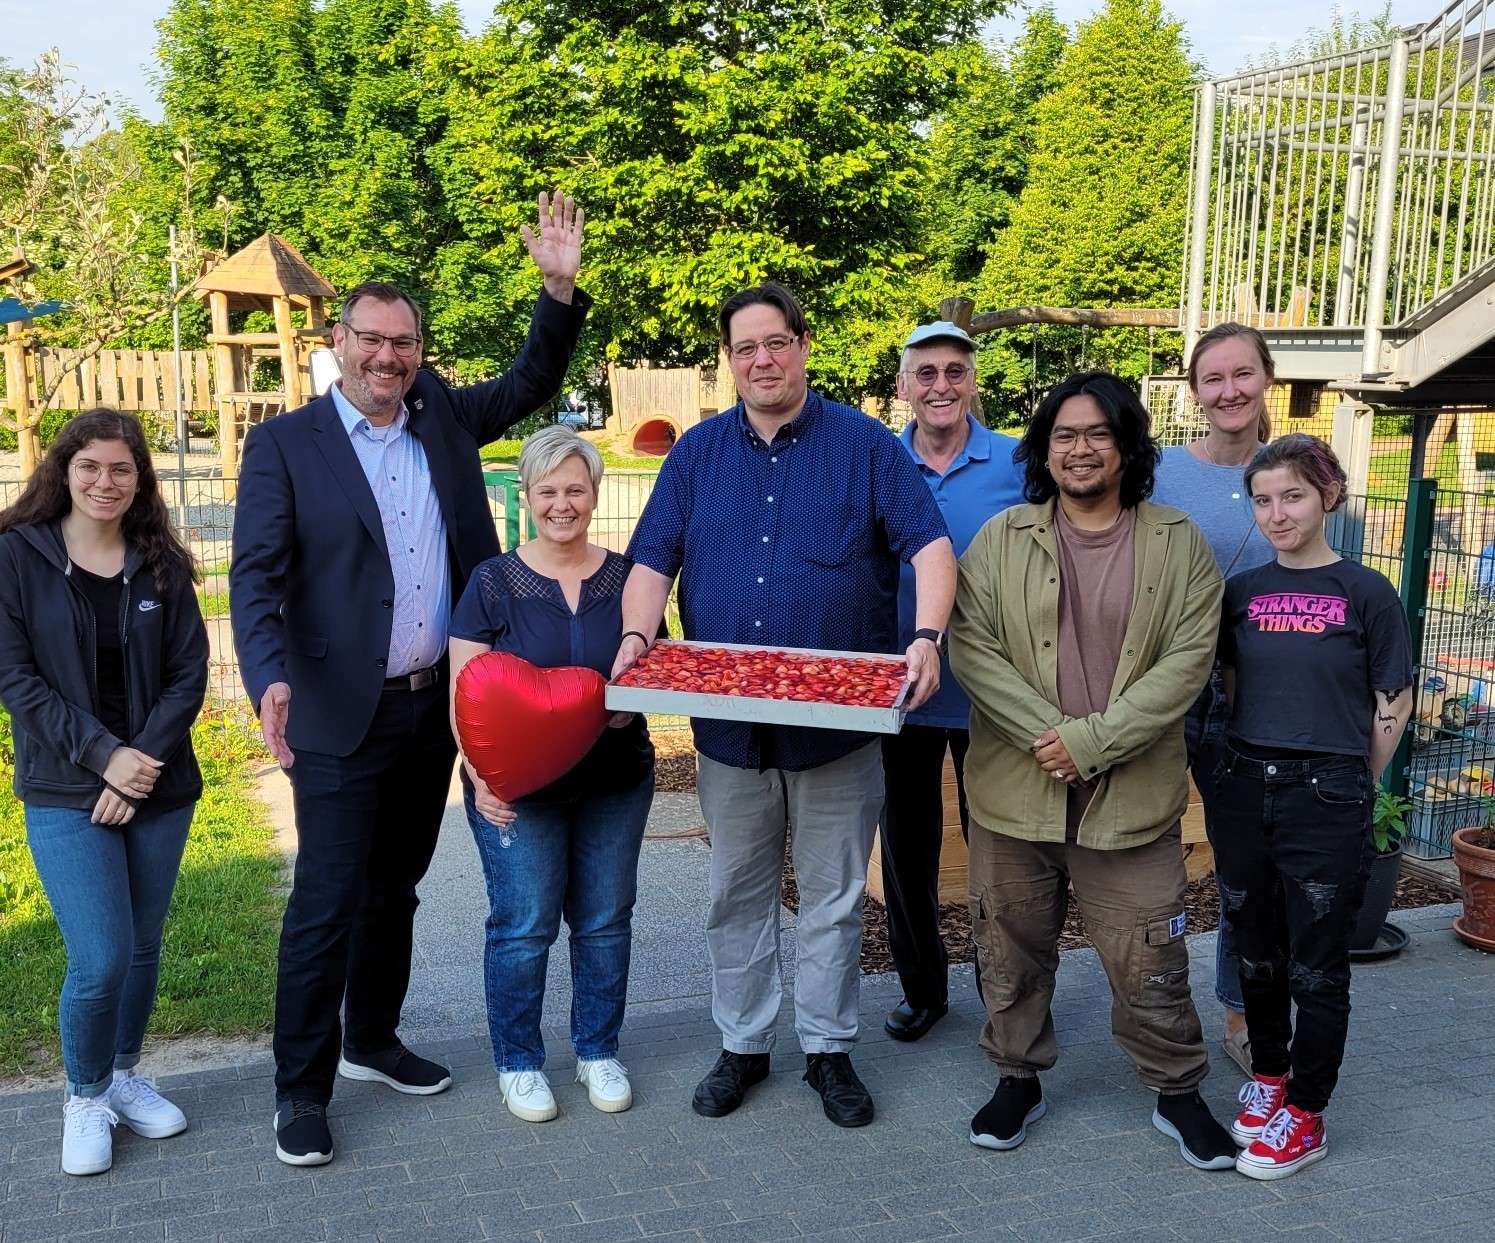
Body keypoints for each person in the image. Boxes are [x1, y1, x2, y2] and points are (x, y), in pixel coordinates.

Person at [229, 192, 591, 1167]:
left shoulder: (439, 417)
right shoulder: (285, 446)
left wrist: (556, 289)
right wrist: (266, 676)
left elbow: (529, 379)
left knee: (396, 887)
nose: (388, 358)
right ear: (340, 342)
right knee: (326, 899)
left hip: (436, 707)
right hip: (336, 714)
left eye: (405, 344)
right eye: (372, 341)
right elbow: (254, 578)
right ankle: (299, 1090)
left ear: (418, 353)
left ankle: (371, 1039)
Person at [615, 282, 955, 1128]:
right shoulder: (694, 454)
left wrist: (927, 636)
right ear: (729, 360)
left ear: (803, 345)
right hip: (729, 731)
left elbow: (930, 543)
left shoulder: (866, 445)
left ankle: (829, 1049)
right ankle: (743, 1046)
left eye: (775, 342)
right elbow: (653, 554)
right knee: (736, 893)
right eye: (744, 348)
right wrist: (634, 634)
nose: (761, 360)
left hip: (838, 731)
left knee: (836, 897)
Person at [948, 371, 1238, 1171]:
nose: (1079, 449)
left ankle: (1176, 1092)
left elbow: (1187, 660)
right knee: (1007, 947)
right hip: (1014, 795)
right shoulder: (1002, 537)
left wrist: (1094, 741)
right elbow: (969, 643)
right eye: (1063, 435)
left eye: (1097, 433)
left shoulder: (1176, 540)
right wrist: (1050, 733)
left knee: (1150, 953)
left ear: (1126, 445)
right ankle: (1016, 1077)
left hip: (1130, 800)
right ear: (1043, 450)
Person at [0, 409, 208, 1177]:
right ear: (64, 468)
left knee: (144, 945)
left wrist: (139, 760)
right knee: (101, 955)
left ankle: (122, 1072)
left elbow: (190, 672)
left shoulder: (158, 560)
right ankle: (83, 1094)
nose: (105, 481)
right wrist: (103, 757)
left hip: (156, 780)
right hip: (63, 783)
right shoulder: (15, 556)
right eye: (90, 466)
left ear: (140, 478)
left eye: (122, 469)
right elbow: (14, 678)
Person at [1214, 434, 1413, 1180]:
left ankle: (1306, 1110)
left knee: (1318, 965)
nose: (1275, 512)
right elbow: (1229, 684)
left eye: (1290, 495)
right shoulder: (1242, 590)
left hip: (1325, 790)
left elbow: (1391, 697)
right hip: (1243, 781)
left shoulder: (1366, 592)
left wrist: (1350, 780)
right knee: (1254, 948)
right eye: (1262, 499)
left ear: (1327, 494)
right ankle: (1268, 1076)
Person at [448, 427, 655, 1125]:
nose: (561, 503)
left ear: (595, 493)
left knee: (603, 920)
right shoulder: (492, 581)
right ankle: (519, 1061)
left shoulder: (629, 578)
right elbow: (463, 690)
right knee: (523, 923)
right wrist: (479, 776)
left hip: (614, 779)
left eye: (575, 489)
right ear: (527, 496)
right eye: (547, 491)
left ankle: (598, 1049)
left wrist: (627, 707)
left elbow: (651, 669)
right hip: (518, 789)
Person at [880, 320, 1025, 1043]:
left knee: (996, 850)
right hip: (901, 690)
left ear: (973, 380)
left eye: (953, 371)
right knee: (906, 849)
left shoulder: (1017, 463)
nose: (940, 385)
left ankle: (1001, 988)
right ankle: (922, 988)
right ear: (903, 385)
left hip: (992, 693)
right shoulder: (877, 460)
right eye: (925, 373)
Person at [1152, 321, 1280, 1075]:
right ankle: (1151, 1004)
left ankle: (1238, 1009)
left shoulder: (1300, 466)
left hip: (1255, 690)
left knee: (1246, 860)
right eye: (1212, 378)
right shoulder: (1161, 472)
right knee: (1140, 850)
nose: (1228, 391)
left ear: (1265, 377)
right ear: (1194, 390)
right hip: (1166, 685)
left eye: (1241, 374)